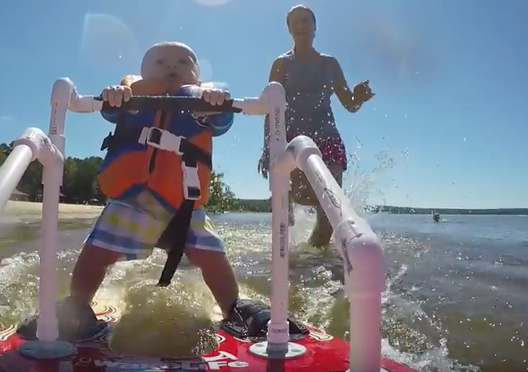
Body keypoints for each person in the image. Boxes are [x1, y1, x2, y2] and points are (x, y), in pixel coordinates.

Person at [69, 41, 240, 322]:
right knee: (96, 252)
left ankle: (233, 307)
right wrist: (115, 95)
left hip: (185, 201)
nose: (172, 66)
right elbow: (110, 110)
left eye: (183, 62)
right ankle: (77, 304)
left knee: (213, 257)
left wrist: (218, 103)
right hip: (133, 199)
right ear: (142, 72)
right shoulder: (131, 95)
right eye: (160, 63)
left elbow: (222, 122)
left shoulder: (204, 101)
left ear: (196, 75)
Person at [258, 4, 375, 247]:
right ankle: (288, 259)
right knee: (297, 198)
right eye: (295, 22)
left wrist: (359, 98)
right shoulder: (281, 64)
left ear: (315, 27)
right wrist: (268, 148)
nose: (301, 26)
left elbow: (349, 105)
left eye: (306, 21)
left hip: (327, 138)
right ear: (289, 29)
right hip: (291, 141)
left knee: (330, 209)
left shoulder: (330, 64)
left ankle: (314, 257)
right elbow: (272, 107)